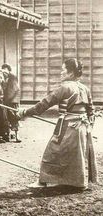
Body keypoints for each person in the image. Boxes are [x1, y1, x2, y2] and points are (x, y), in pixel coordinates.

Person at [17, 58, 98, 190]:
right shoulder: (85, 88)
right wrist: (89, 127)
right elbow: (91, 110)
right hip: (83, 127)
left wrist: (24, 112)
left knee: (52, 151)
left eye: (63, 70)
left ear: (71, 73)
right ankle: (78, 183)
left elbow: (43, 105)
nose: (60, 73)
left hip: (68, 127)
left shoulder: (65, 88)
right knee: (77, 154)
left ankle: (42, 181)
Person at [2, 63, 21, 142]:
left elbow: (14, 90)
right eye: (3, 70)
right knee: (5, 118)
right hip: (5, 101)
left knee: (14, 118)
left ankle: (17, 136)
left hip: (13, 101)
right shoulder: (3, 78)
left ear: (9, 70)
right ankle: (7, 135)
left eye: (6, 70)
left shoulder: (13, 78)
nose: (4, 72)